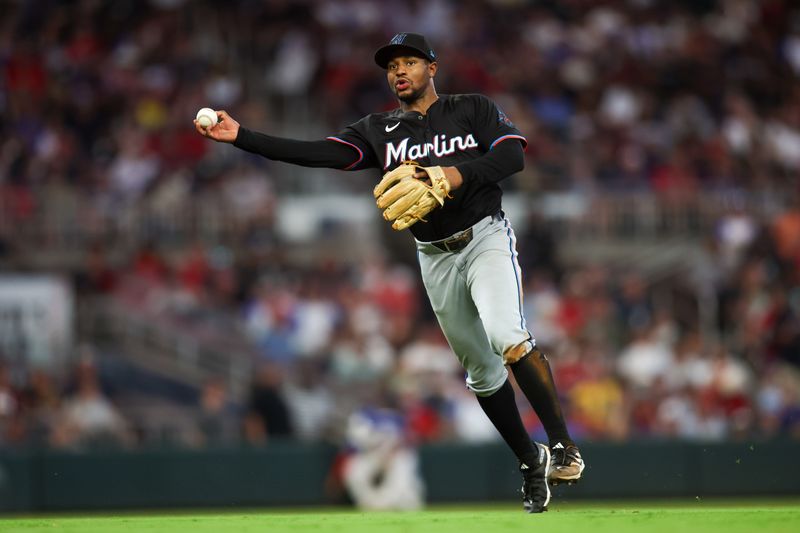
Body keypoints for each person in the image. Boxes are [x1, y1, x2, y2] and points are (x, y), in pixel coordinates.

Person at [195, 32, 584, 513]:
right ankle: (530, 462)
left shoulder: (472, 108)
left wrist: (450, 175)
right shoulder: (378, 129)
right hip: (433, 254)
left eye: (409, 62)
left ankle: (564, 446)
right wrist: (244, 137)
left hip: (484, 235)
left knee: (507, 334)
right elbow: (319, 153)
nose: (399, 70)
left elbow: (512, 156)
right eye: (392, 65)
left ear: (432, 68)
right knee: (481, 374)